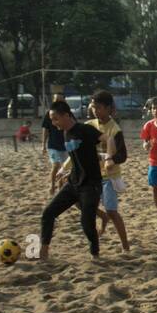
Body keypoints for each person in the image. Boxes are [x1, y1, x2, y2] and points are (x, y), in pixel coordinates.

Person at [39, 100, 103, 262]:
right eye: (52, 120)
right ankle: (44, 250)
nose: (53, 123)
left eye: (56, 119)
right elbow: (75, 157)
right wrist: (65, 171)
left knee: (87, 222)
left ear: (66, 115)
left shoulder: (86, 129)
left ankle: (95, 254)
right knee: (48, 213)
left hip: (91, 185)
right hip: (73, 183)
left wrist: (108, 157)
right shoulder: (65, 133)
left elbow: (108, 139)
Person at [87, 90, 130, 251]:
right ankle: (101, 216)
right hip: (91, 176)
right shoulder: (89, 125)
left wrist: (111, 159)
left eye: (98, 107)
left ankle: (125, 245)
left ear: (108, 108)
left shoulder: (115, 129)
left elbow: (123, 155)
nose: (95, 111)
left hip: (109, 177)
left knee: (112, 211)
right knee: (82, 204)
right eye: (93, 107)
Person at [42, 103, 68, 194]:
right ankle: (52, 185)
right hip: (53, 145)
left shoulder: (67, 114)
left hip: (65, 146)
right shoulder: (49, 114)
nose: (54, 122)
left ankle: (61, 188)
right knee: (55, 165)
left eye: (61, 99)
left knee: (64, 168)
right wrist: (43, 145)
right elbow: (45, 129)